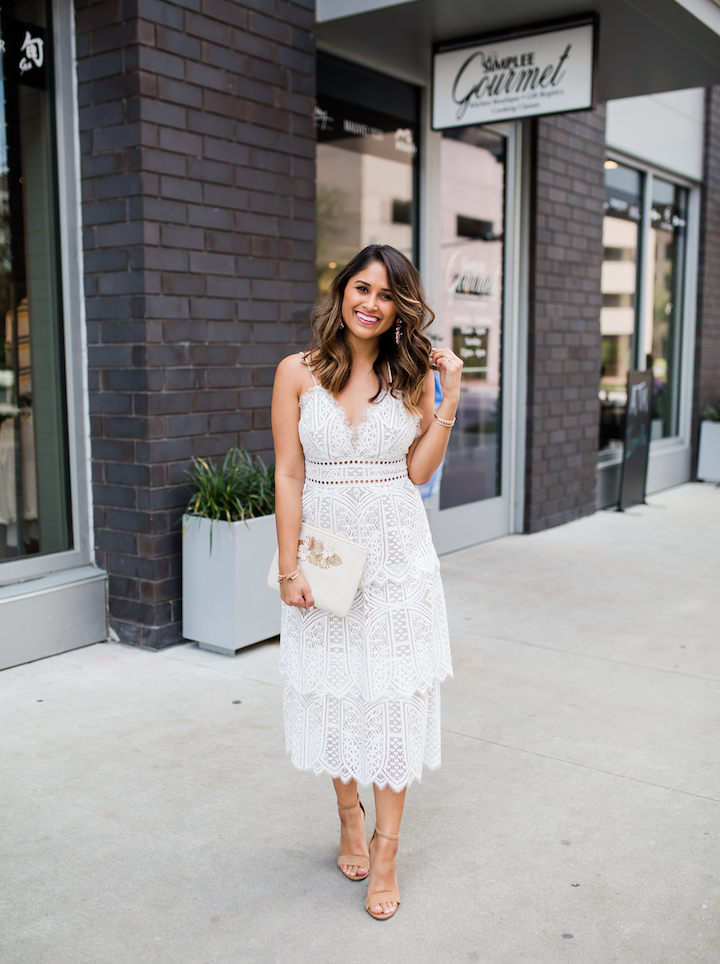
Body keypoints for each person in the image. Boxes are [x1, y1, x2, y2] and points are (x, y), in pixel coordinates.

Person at [271, 244, 461, 920]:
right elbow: (289, 473)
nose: (371, 303)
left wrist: (449, 399)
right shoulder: (296, 372)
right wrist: (289, 564)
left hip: (397, 560)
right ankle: (348, 813)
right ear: (341, 290)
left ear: (399, 306)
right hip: (327, 557)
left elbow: (415, 474)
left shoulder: (410, 374)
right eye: (361, 287)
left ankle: (387, 851)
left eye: (386, 294)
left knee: (393, 703)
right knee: (342, 694)